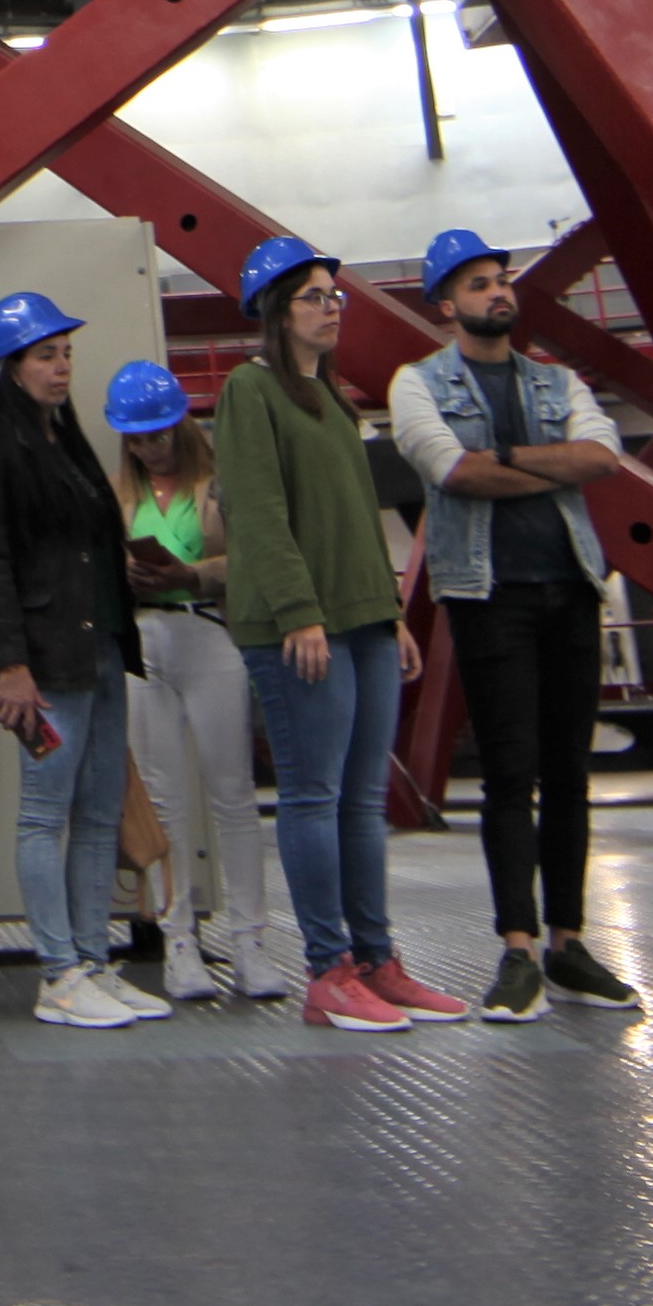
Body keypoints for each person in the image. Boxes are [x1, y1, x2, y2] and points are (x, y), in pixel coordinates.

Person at [383, 231, 644, 1022]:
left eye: (501, 279)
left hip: (570, 584)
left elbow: (603, 457)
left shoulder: (556, 379)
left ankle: (569, 942)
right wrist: (539, 458)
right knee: (509, 773)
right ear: (445, 302)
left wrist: (499, 454)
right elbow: (449, 469)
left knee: (568, 772)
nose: (498, 291)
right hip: (487, 594)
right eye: (478, 283)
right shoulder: (417, 383)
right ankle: (518, 948)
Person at [213, 240, 459, 1032]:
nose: (334, 305)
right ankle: (328, 970)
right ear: (278, 309)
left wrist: (389, 613)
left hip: (360, 620)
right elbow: (257, 511)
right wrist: (299, 612)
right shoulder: (250, 392)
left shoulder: (338, 401)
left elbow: (355, 523)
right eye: (316, 294)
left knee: (361, 800)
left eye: (336, 294)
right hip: (303, 627)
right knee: (314, 795)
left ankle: (376, 959)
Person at [0, 293, 164, 1030]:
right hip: (47, 661)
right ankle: (58, 973)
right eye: (45, 354)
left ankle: (92, 961)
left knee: (99, 812)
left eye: (66, 352)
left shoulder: (67, 441)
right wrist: (12, 665)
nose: (61, 366)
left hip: (101, 647)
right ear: (10, 367)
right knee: (46, 815)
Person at [106, 363, 279, 1004]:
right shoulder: (116, 495)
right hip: (145, 641)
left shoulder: (219, 484)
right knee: (165, 800)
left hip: (209, 631)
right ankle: (178, 944)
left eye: (160, 432)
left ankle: (249, 941)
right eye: (139, 437)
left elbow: (254, 556)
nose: (152, 446)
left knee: (232, 793)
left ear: (182, 422)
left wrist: (194, 575)